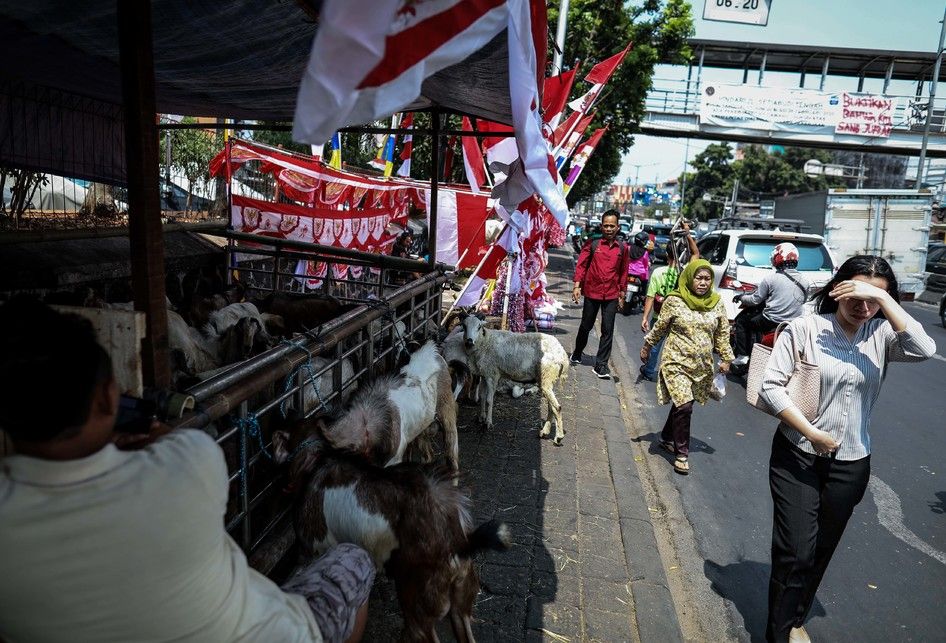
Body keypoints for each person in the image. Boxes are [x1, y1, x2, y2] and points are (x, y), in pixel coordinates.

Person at [0, 298, 375, 643]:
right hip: (268, 630)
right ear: (106, 398)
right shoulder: (188, 458)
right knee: (355, 560)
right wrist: (159, 439)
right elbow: (178, 448)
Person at [758, 255, 935, 643]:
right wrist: (812, 433)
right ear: (838, 288)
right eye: (856, 293)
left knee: (821, 549)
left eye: (874, 298)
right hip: (798, 456)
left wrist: (884, 301)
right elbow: (770, 387)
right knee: (796, 552)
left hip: (852, 463)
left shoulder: (882, 335)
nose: (864, 306)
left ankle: (796, 617)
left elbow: (924, 349)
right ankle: (777, 634)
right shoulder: (805, 328)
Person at [639, 259, 733, 474]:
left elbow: (722, 332)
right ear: (690, 278)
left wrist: (726, 357)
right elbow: (661, 326)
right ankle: (682, 453)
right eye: (698, 278)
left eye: (707, 279)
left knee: (683, 402)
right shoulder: (675, 300)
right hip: (676, 361)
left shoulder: (716, 302)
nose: (703, 283)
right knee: (685, 406)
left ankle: (665, 437)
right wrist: (647, 345)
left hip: (701, 365)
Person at [571, 210, 628, 379]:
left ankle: (601, 365)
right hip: (592, 292)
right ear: (601, 226)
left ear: (617, 227)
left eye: (612, 226)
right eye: (606, 225)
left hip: (611, 294)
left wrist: (622, 294)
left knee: (607, 329)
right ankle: (577, 352)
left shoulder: (623, 248)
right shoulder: (593, 244)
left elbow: (624, 271)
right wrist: (577, 286)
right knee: (586, 325)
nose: (609, 229)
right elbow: (581, 265)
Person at [639, 224, 700, 382]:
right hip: (679, 319)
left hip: (660, 317)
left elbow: (651, 296)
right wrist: (687, 234)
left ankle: (650, 370)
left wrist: (645, 317)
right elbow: (696, 253)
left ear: (667, 255)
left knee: (654, 346)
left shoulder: (659, 272)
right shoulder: (685, 273)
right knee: (675, 348)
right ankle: (671, 375)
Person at [732, 242, 810, 364]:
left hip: (771, 321)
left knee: (742, 322)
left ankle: (743, 356)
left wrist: (741, 297)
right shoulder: (805, 280)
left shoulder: (770, 279)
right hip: (794, 322)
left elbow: (754, 300)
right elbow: (803, 300)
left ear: (777, 258)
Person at [625, 230, 652, 313]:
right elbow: (645, 265)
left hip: (627, 272)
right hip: (640, 275)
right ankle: (643, 298)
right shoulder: (645, 253)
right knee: (645, 284)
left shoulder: (629, 248)